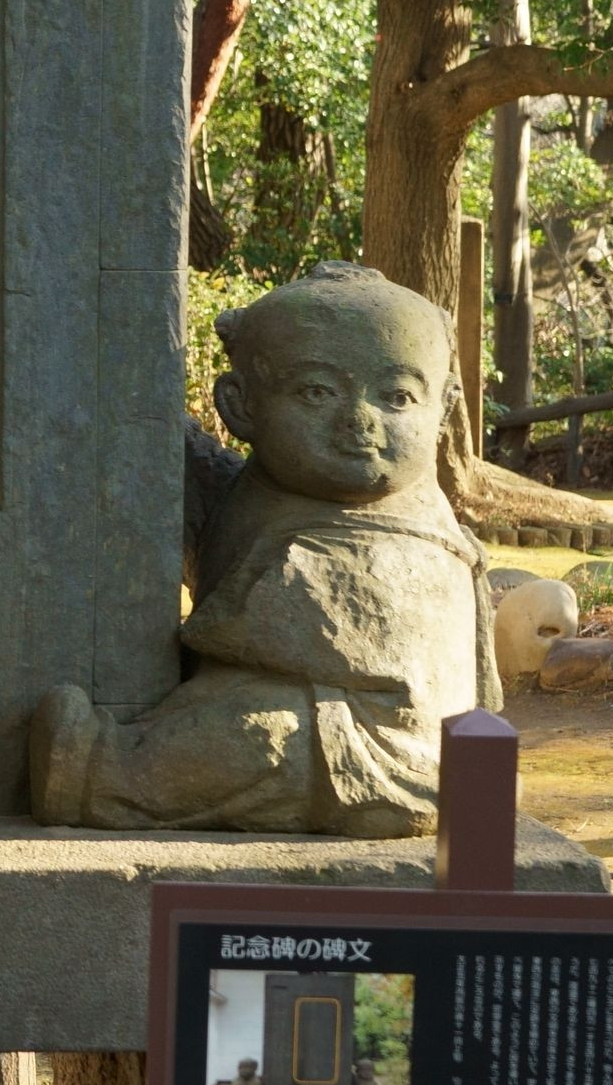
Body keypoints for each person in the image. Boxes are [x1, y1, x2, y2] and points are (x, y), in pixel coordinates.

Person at [31, 262, 494, 836]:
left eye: (396, 397)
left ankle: (96, 777)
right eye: (317, 392)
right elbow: (224, 504)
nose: (360, 422)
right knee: (235, 722)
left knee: (257, 734)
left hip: (376, 753)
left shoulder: (415, 544)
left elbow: (250, 617)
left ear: (443, 408)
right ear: (240, 405)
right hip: (282, 704)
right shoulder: (278, 484)